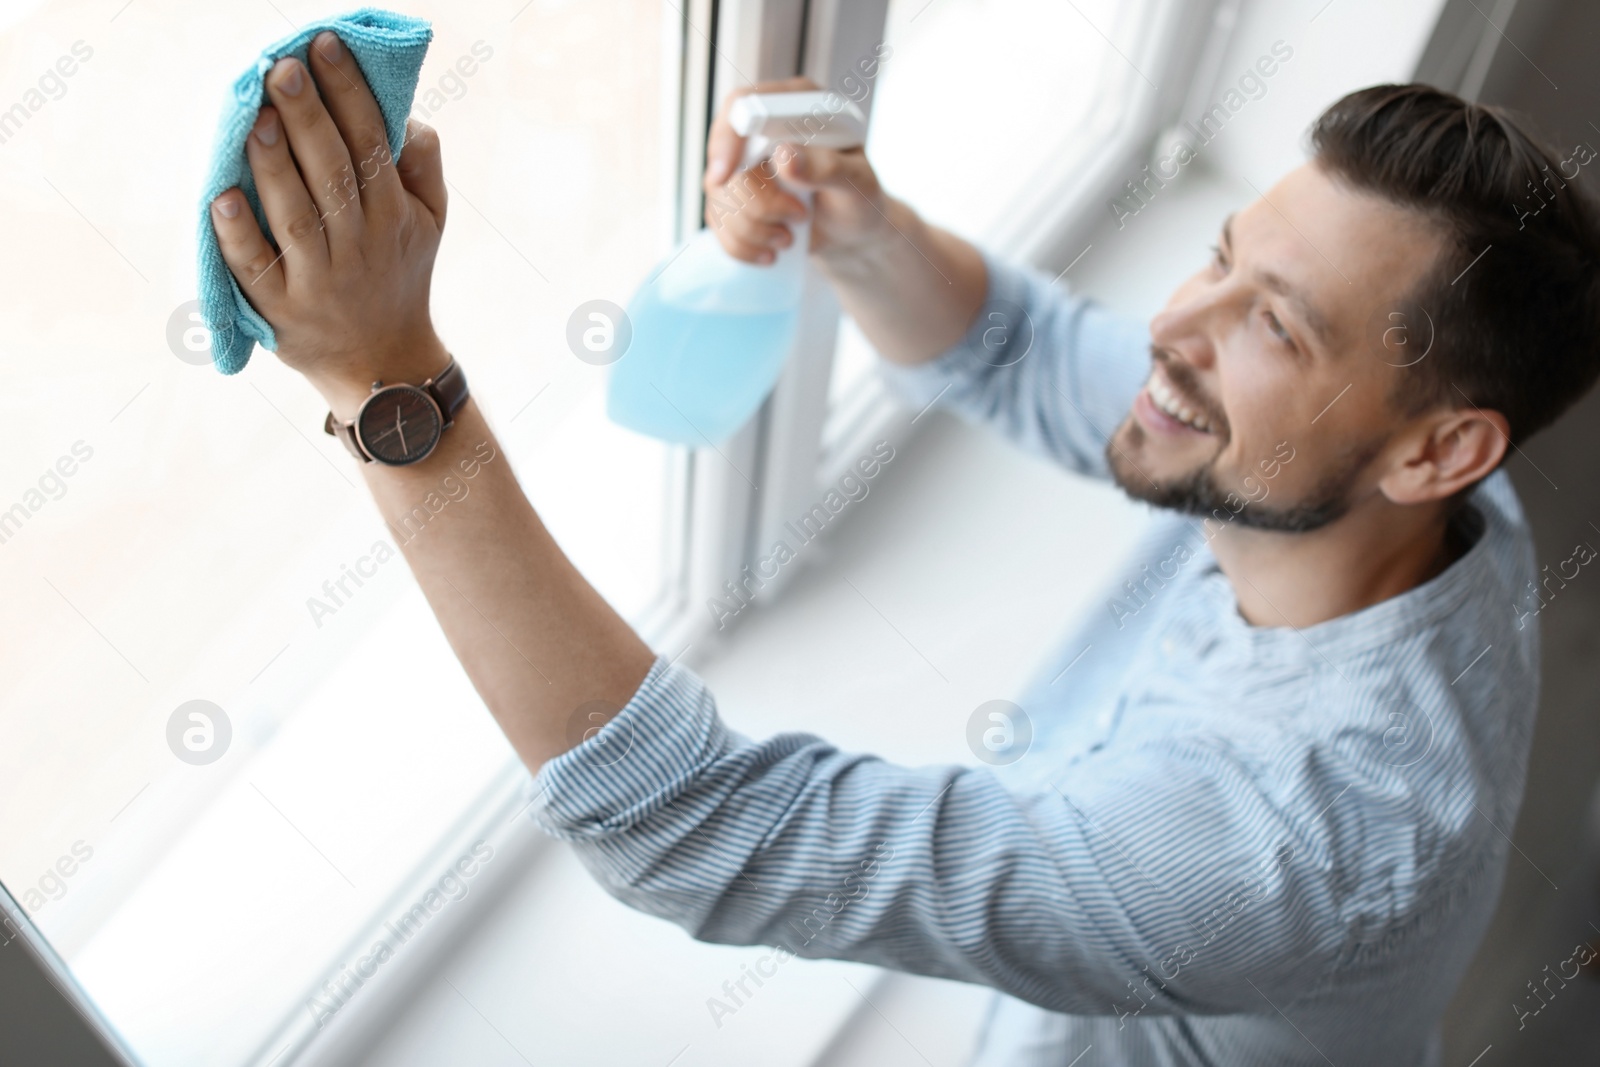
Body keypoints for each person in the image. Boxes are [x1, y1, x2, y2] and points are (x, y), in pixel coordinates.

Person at [208, 31, 1600, 1066]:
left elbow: (702, 829)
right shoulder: (1407, 501)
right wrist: (854, 223)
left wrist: (393, 387)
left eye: (1274, 322)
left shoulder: (1294, 849)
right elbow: (1027, 351)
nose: (1180, 320)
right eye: (1222, 253)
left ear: (1439, 447)